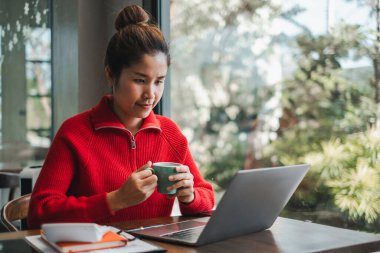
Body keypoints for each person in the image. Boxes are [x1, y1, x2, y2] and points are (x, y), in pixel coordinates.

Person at [28, 5, 214, 229]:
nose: (151, 94)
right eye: (139, 80)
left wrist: (190, 196)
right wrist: (114, 201)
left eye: (159, 81)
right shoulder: (75, 133)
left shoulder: (170, 133)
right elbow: (39, 213)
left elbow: (206, 195)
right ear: (111, 74)